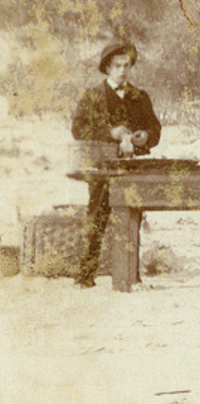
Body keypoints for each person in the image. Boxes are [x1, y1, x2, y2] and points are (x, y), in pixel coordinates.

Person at [69, 40, 162, 289]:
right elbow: (78, 130)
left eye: (127, 65)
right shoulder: (92, 96)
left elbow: (155, 130)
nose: (123, 70)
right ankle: (86, 275)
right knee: (97, 217)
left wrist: (145, 136)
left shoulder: (140, 97)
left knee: (133, 218)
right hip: (101, 167)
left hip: (133, 168)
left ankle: (131, 274)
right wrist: (109, 133)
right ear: (107, 68)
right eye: (118, 65)